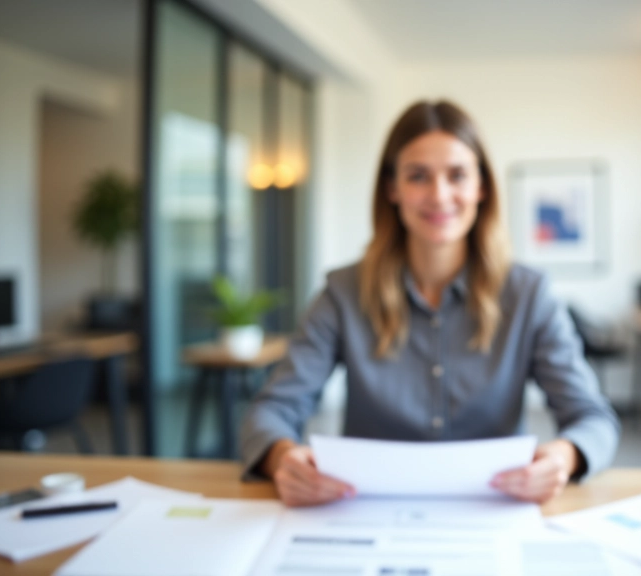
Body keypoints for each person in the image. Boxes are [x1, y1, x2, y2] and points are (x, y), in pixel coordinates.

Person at [240, 100, 619, 506]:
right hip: (367, 511)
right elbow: (270, 412)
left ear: (482, 187)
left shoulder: (529, 295)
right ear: (393, 189)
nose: (439, 196)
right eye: (418, 176)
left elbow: (593, 419)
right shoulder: (342, 293)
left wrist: (564, 456)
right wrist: (283, 458)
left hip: (493, 510)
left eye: (457, 175)